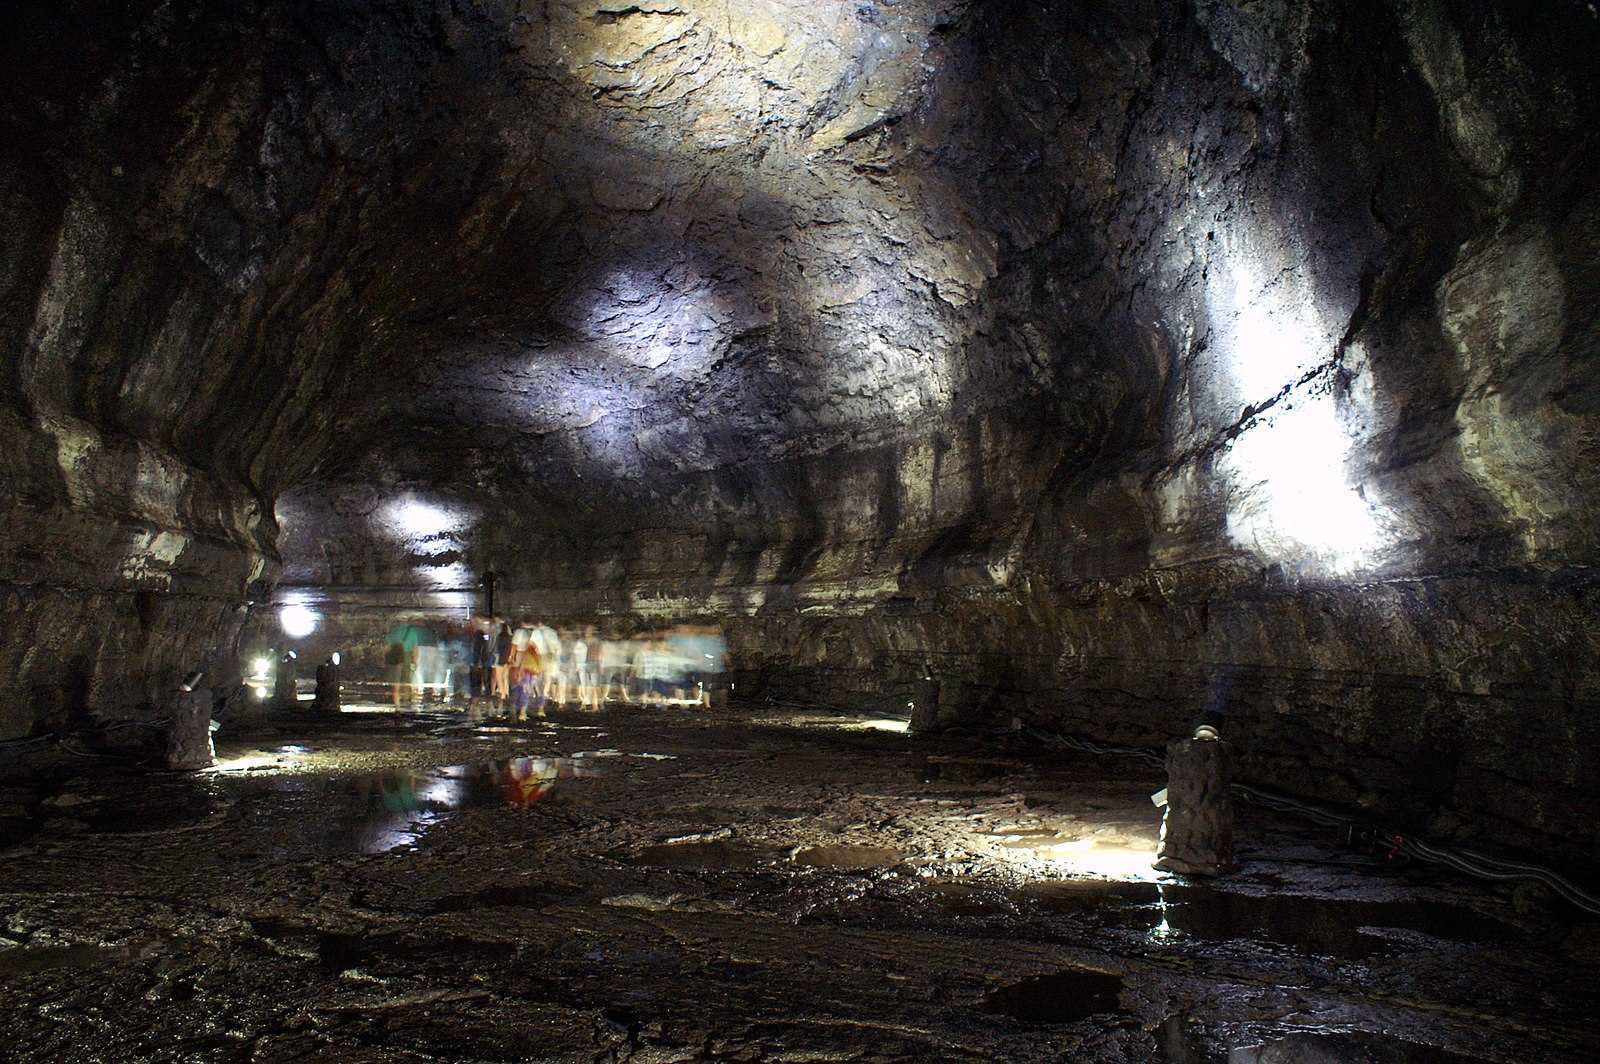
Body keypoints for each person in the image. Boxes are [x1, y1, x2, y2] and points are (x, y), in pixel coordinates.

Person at [493, 621, 513, 706]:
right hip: (507, 659)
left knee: (499, 677)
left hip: (499, 659)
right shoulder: (509, 638)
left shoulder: (498, 638)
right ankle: (506, 692)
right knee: (505, 677)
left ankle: (502, 694)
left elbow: (495, 649)